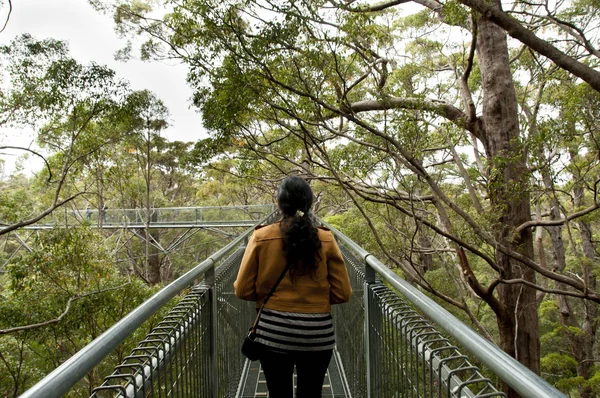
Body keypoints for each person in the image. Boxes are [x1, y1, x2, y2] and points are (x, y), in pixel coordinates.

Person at [234, 176, 352, 398]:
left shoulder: (261, 236)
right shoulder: (326, 239)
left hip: (273, 334)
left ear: (279, 204)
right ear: (308, 205)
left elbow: (242, 290)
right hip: (317, 334)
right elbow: (343, 293)